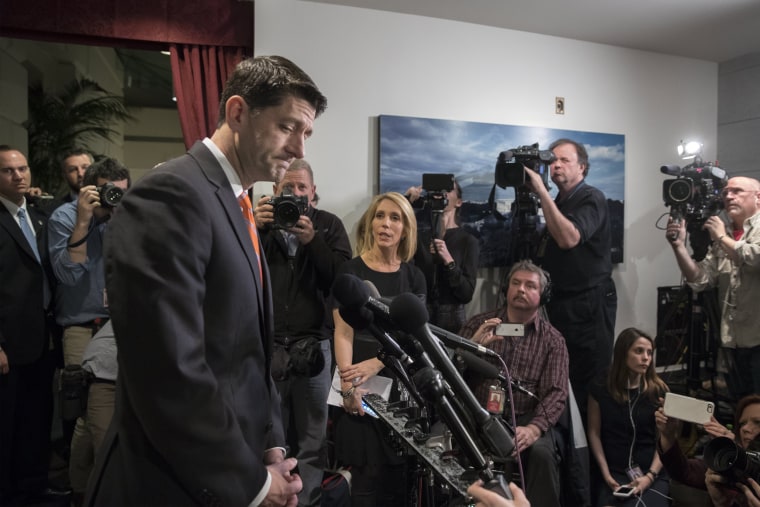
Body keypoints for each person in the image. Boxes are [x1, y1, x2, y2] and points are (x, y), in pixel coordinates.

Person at [86, 55, 327, 506]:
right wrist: (251, 483)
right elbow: (169, 369)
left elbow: (246, 352)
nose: (300, 150)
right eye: (288, 127)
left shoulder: (234, 200)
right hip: (167, 483)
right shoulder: (172, 193)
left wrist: (270, 441)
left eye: (306, 133)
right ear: (238, 112)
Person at [254, 158, 352, 506]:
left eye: (300, 188)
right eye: (286, 188)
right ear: (275, 192)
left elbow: (341, 281)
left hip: (315, 347)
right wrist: (258, 228)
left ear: (313, 192)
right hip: (270, 346)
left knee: (312, 440)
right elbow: (246, 275)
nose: (294, 194)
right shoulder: (259, 224)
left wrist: (313, 242)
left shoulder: (328, 225)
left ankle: (307, 500)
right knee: (270, 441)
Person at [332, 191, 426, 506]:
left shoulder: (414, 277)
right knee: (364, 484)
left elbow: (415, 340)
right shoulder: (351, 272)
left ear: (406, 229)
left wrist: (378, 362)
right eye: (379, 215)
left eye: (395, 218)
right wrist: (348, 384)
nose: (385, 224)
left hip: (400, 386)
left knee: (397, 486)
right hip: (358, 386)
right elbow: (343, 331)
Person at [47, 157, 130, 503]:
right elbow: (68, 274)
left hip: (119, 323)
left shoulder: (124, 217)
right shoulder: (64, 217)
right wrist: (84, 221)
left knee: (104, 406)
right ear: (91, 188)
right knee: (81, 403)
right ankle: (84, 485)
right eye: (110, 192)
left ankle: (87, 482)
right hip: (81, 323)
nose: (117, 199)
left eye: (123, 193)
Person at [460, 259, 568, 506]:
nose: (521, 289)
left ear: (543, 295)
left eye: (530, 286)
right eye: (516, 283)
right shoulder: (478, 324)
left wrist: (534, 429)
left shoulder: (553, 341)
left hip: (527, 421)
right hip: (479, 417)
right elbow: (449, 371)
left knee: (543, 453)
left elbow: (556, 393)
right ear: (505, 289)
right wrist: (473, 348)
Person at [524, 138, 617, 424]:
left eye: (564, 160)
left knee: (588, 382)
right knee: (561, 377)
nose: (555, 165)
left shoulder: (591, 197)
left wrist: (541, 191)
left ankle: (590, 458)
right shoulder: (562, 202)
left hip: (589, 305)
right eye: (552, 160)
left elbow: (569, 238)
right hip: (563, 305)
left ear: (582, 167)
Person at [0, 146, 68, 504]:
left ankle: (34, 485)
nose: (18, 175)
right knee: (7, 423)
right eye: (8, 171)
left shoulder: (43, 214)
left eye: (22, 168)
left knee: (38, 419)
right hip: (8, 342)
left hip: (44, 337)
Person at [666, 176, 760, 399]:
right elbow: (701, 279)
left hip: (757, 340)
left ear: (758, 197)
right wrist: (679, 247)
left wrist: (721, 237)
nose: (728, 196)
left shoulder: (724, 234)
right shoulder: (725, 233)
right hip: (733, 343)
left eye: (737, 191)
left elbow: (756, 257)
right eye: (726, 192)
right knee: (741, 407)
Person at [587, 328, 669, 506]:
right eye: (639, 351)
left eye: (649, 352)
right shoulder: (601, 387)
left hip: (651, 471)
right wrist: (606, 474)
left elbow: (665, 440)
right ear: (623, 353)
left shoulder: (658, 391)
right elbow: (594, 433)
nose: (646, 357)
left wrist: (650, 476)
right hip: (613, 471)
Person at [656, 393, 760, 506]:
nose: (745, 428)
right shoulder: (729, 463)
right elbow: (683, 471)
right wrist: (668, 435)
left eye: (757, 422)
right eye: (742, 423)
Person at [406, 176, 479, 332]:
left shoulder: (468, 241)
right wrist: (407, 201)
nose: (442, 193)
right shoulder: (419, 238)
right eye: (438, 190)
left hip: (452, 320)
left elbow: (466, 294)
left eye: (448, 189)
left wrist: (449, 261)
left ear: (459, 202)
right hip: (420, 315)